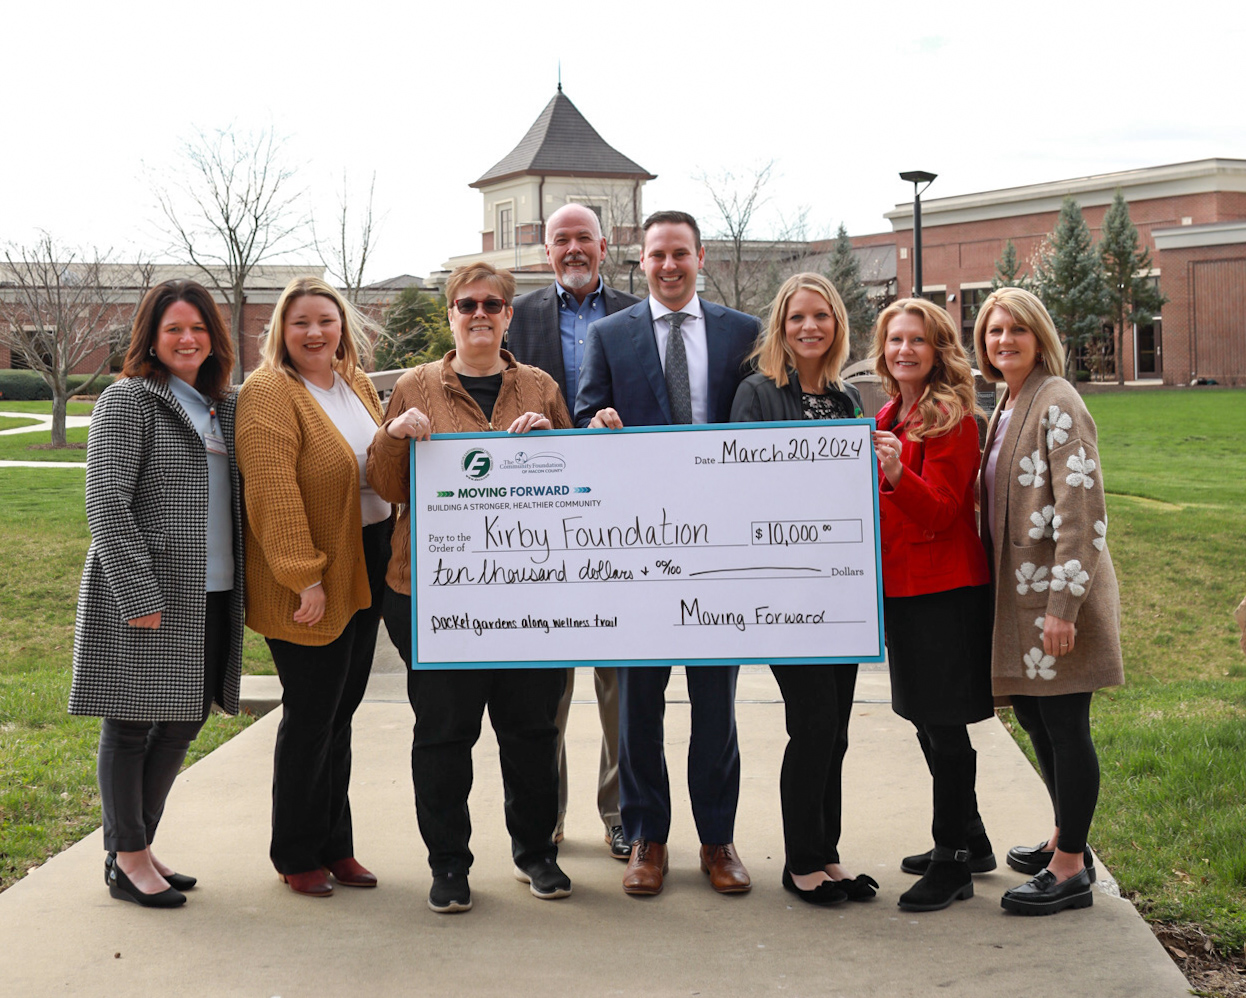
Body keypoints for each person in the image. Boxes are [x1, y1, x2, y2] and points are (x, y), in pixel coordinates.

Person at [366, 262, 573, 914]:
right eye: (466, 304)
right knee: (444, 735)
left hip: (529, 596)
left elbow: (580, 488)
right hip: (436, 595)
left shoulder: (539, 386)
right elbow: (389, 485)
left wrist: (554, 444)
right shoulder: (415, 386)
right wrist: (395, 436)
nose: (479, 313)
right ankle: (449, 864)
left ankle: (536, 854)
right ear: (450, 314)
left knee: (531, 732)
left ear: (508, 315)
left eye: (492, 304)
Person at [575, 210, 760, 897]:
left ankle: (717, 841)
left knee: (717, 704)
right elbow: (584, 415)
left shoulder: (742, 333)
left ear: (700, 256)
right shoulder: (608, 335)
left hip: (718, 549)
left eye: (681, 253)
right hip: (638, 551)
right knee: (639, 705)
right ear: (640, 260)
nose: (670, 265)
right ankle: (647, 839)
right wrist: (595, 423)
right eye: (658, 255)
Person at [70, 279, 244, 908]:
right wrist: (137, 591)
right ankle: (128, 856)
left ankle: (136, 845)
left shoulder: (221, 404)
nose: (187, 339)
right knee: (132, 723)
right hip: (150, 595)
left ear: (213, 337)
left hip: (214, 592)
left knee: (182, 722)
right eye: (174, 329)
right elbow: (107, 503)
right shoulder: (130, 401)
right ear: (151, 336)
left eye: (197, 328)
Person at [235, 277, 391, 899]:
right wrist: (304, 576)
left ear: (341, 326)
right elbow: (271, 491)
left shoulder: (353, 382)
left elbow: (377, 462)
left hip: (367, 557)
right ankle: (296, 852)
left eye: (325, 320)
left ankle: (336, 844)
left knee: (341, 714)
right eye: (300, 322)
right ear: (281, 330)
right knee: (310, 717)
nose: (315, 332)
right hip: (310, 572)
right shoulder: (270, 392)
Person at [974, 287, 1123, 916]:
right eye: (993, 331)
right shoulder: (1009, 402)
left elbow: (1082, 509)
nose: (1003, 340)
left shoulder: (1057, 400)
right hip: (1021, 599)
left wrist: (1063, 606)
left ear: (1040, 338)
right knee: (1037, 721)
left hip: (1057, 599)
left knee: (1066, 728)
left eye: (1017, 330)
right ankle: (1067, 835)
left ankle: (1070, 871)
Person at [730, 272, 872, 907]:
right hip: (786, 590)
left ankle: (829, 852)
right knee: (812, 725)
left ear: (836, 325)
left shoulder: (845, 401)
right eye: (796, 318)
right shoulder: (757, 394)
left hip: (840, 588)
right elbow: (742, 485)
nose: (809, 327)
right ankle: (800, 862)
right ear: (780, 329)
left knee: (837, 729)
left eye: (821, 316)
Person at [507, 202, 641, 859]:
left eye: (583, 237)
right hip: (541, 518)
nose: (573, 248)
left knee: (619, 676)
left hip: (617, 517)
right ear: (548, 250)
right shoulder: (518, 316)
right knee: (544, 681)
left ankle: (618, 812)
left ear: (605, 244)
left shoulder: (635, 314)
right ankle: (546, 813)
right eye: (561, 239)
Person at [868, 298, 995, 912]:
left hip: (943, 589)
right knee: (921, 715)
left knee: (944, 727)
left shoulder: (954, 418)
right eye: (895, 340)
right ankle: (973, 839)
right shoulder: (893, 411)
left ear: (938, 348)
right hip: (903, 586)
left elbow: (945, 510)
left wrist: (895, 472)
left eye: (917, 340)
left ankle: (953, 864)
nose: (904, 351)